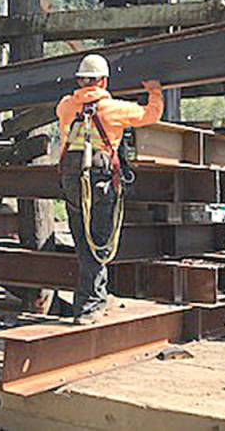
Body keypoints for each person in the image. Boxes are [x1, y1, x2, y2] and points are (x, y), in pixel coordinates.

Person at [56, 53, 163, 324]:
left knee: (82, 239)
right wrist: (155, 91)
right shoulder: (115, 109)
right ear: (103, 81)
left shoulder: (66, 106)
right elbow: (151, 114)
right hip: (100, 181)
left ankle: (94, 297)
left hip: (72, 181)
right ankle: (90, 305)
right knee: (99, 242)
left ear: (80, 80)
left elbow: (66, 114)